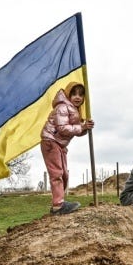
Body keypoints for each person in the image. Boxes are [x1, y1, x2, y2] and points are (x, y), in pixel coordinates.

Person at [41, 82, 94, 215]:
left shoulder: (75, 110)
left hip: (60, 144)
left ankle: (59, 202)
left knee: (64, 174)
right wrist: (81, 127)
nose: (78, 97)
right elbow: (63, 128)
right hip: (50, 141)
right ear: (68, 95)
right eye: (74, 94)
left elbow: (74, 130)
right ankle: (58, 206)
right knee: (57, 174)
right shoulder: (63, 107)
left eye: (81, 95)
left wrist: (85, 128)